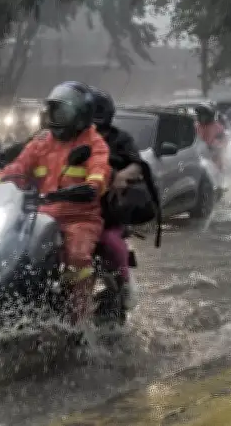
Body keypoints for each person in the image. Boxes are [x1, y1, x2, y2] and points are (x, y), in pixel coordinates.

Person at [0, 81, 111, 325]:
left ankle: (78, 321)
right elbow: (18, 169)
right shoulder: (43, 141)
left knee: (77, 257)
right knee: (6, 243)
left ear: (79, 116)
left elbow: (99, 173)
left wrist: (91, 187)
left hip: (78, 217)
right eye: (52, 110)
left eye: (61, 111)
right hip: (42, 212)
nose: (54, 117)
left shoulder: (94, 144)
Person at [90, 88, 143, 309]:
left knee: (112, 243)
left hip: (108, 212)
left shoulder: (121, 139)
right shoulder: (71, 138)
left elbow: (137, 166)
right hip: (69, 210)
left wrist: (120, 176)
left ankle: (125, 285)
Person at [195, 103, 227, 171]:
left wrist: (214, 147)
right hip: (199, 155)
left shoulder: (217, 127)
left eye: (203, 115)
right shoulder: (196, 126)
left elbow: (222, 142)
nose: (201, 117)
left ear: (209, 115)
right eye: (200, 115)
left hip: (213, 157)